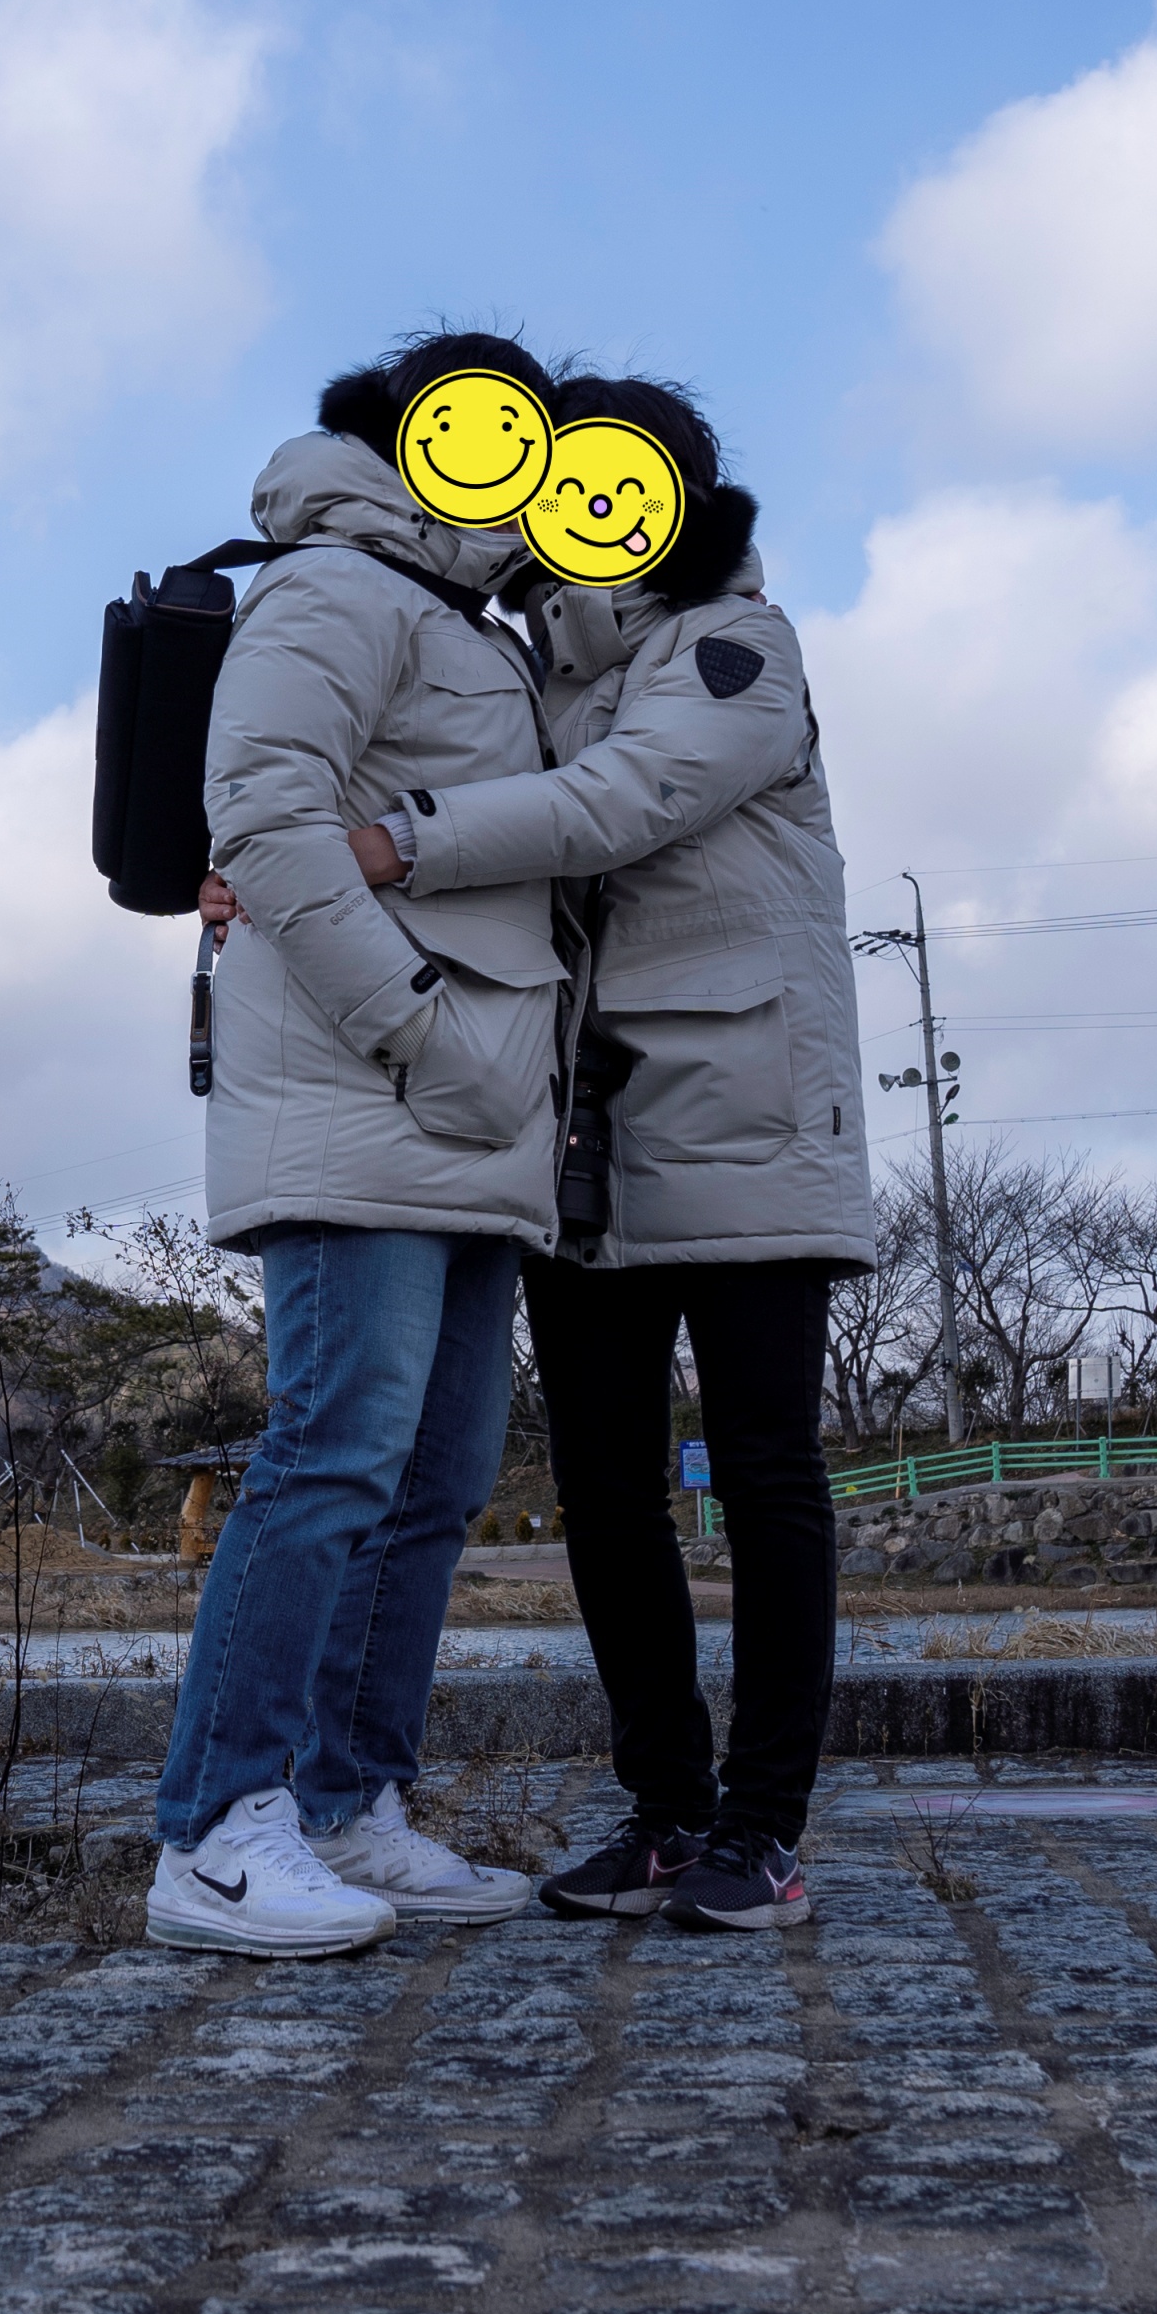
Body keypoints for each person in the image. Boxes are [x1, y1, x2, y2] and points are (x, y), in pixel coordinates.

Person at [246, 375, 872, 1929]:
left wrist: (394, 842)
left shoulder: (735, 647)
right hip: (578, 1127)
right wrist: (261, 862)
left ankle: (763, 1830)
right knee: (601, 1488)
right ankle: (665, 1812)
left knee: (768, 1475)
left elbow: (620, 803)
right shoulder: (535, 669)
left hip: (745, 1113)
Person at [143, 329, 573, 1957]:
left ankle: (346, 1808)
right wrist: (420, 1031)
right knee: (330, 1460)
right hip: (366, 1089)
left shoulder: (467, 619)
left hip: (466, 1114)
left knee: (432, 1486)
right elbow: (264, 824)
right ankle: (214, 1833)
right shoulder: (336, 586)